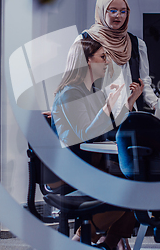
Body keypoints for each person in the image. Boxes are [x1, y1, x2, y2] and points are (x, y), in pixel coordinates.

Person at [51, 36, 141, 250]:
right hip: (74, 170)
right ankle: (79, 241)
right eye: (102, 57)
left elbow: (107, 130)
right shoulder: (70, 93)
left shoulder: (89, 92)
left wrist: (129, 103)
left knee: (139, 185)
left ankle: (107, 245)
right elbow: (86, 134)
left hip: (90, 165)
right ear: (86, 61)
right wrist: (107, 107)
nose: (107, 62)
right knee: (131, 190)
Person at [78, 0, 157, 116]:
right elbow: (74, 80)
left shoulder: (137, 44)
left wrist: (156, 104)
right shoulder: (86, 40)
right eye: (113, 11)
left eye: (123, 11)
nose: (118, 15)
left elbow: (144, 82)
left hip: (129, 114)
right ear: (102, 11)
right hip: (97, 116)